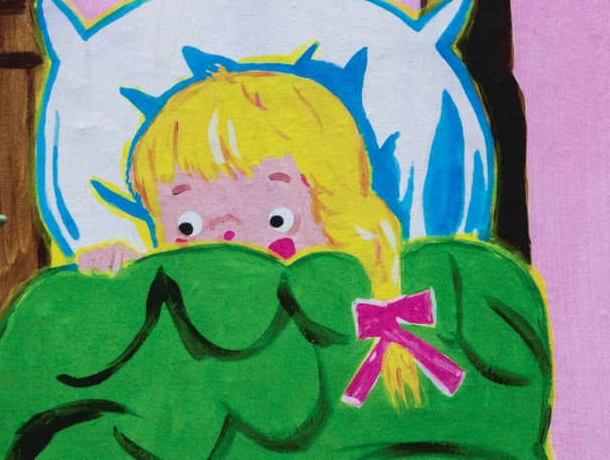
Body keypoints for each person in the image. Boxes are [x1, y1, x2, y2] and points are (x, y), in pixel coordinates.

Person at [78, 68, 421, 406]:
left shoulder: (363, 315)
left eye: (277, 219)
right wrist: (122, 283)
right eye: (188, 226)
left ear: (337, 222)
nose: (227, 238)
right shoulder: (181, 320)